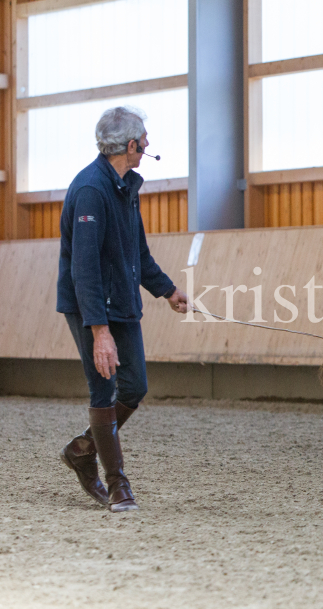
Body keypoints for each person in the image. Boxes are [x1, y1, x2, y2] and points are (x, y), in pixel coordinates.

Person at [56, 106, 189, 512]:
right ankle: (116, 483)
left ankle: (82, 448)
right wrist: (99, 331)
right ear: (131, 145)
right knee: (103, 388)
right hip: (89, 305)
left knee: (134, 387)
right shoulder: (91, 191)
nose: (148, 146)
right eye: (144, 141)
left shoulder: (125, 188)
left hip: (122, 302)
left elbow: (137, 253)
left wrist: (167, 290)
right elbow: (85, 269)